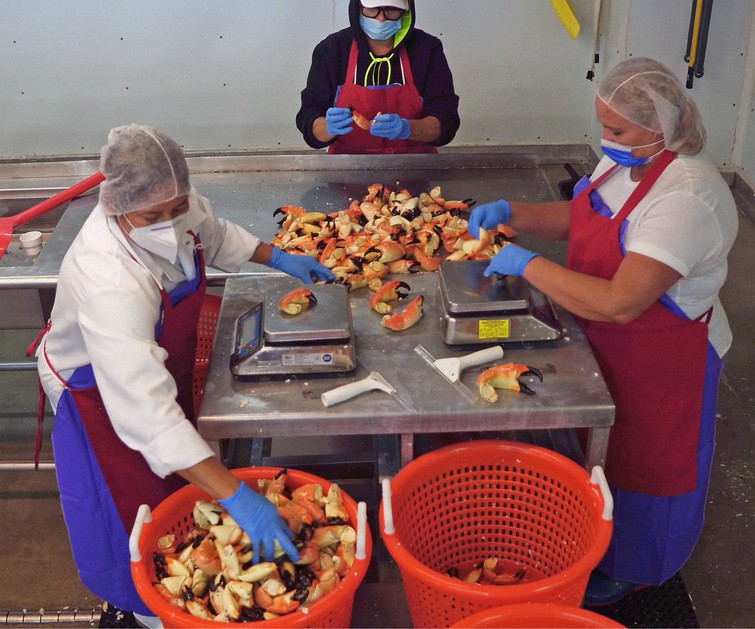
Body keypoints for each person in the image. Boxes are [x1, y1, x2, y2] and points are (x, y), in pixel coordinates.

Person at [33, 124, 335, 627]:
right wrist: (238, 497)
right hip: (92, 389)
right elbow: (148, 415)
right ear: (114, 205)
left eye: (176, 209)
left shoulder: (174, 202)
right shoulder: (109, 279)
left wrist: (281, 258)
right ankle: (141, 610)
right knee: (125, 508)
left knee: (175, 482)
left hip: (158, 368)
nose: (169, 225)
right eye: (152, 217)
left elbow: (215, 235)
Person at [468, 58, 738, 605]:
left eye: (617, 130)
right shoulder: (623, 162)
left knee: (649, 463)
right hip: (603, 336)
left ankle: (640, 568)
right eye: (603, 126)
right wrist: (513, 212)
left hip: (665, 354)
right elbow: (583, 216)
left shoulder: (686, 197)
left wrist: (526, 263)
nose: (605, 140)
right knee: (603, 447)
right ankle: (591, 535)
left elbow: (621, 303)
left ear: (660, 127)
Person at [296, 0, 460, 154]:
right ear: (358, 6)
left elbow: (446, 120)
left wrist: (408, 128)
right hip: (347, 165)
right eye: (372, 9)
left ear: (406, 11)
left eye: (391, 10)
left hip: (415, 165)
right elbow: (309, 116)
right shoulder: (332, 50)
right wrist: (327, 127)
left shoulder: (426, 49)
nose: (381, 18)